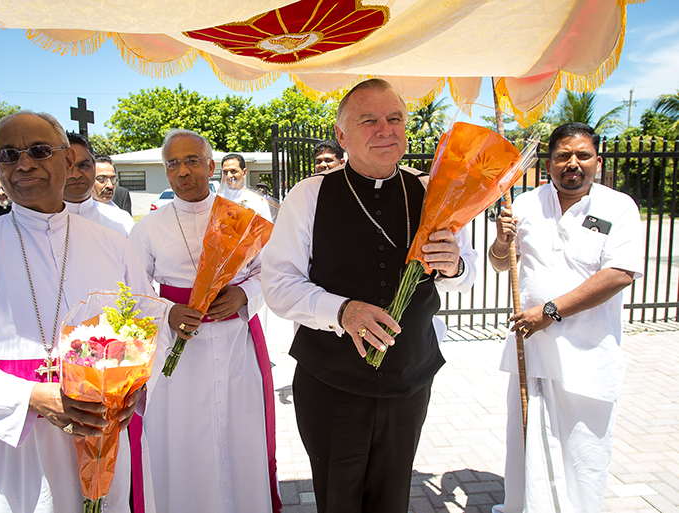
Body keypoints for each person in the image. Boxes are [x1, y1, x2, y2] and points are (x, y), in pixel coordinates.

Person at [0, 111, 154, 513]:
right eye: (8, 155)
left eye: (38, 150)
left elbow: (146, 330)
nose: (23, 163)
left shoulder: (114, 246)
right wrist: (32, 396)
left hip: (102, 434)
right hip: (15, 449)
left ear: (67, 161)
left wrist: (132, 389)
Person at [262, 78, 477, 513]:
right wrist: (341, 311)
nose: (385, 129)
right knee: (338, 500)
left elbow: (464, 275)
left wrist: (454, 263)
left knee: (392, 498)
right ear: (341, 136)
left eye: (394, 118)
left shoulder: (435, 191)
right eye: (369, 120)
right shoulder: (309, 195)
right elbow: (279, 285)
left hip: (409, 379)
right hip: (331, 382)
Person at [488, 123, 644, 513]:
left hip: (588, 354)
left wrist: (551, 311)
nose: (572, 163)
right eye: (562, 156)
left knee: (583, 450)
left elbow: (619, 274)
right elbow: (497, 262)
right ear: (548, 162)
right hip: (533, 350)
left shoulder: (619, 207)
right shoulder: (523, 204)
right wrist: (501, 240)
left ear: (598, 161)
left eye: (582, 155)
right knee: (525, 444)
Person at [128, 129, 279, 512]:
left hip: (235, 346)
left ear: (210, 166)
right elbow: (131, 291)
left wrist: (244, 295)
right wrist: (166, 313)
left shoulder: (242, 219)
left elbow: (273, 274)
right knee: (182, 443)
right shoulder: (147, 228)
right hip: (177, 355)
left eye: (191, 160)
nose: (182, 171)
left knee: (239, 437)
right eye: (173, 164)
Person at [64, 133, 134, 237]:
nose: (76, 174)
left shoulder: (121, 220)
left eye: (83, 165)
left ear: (93, 167)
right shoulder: (36, 222)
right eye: (67, 166)